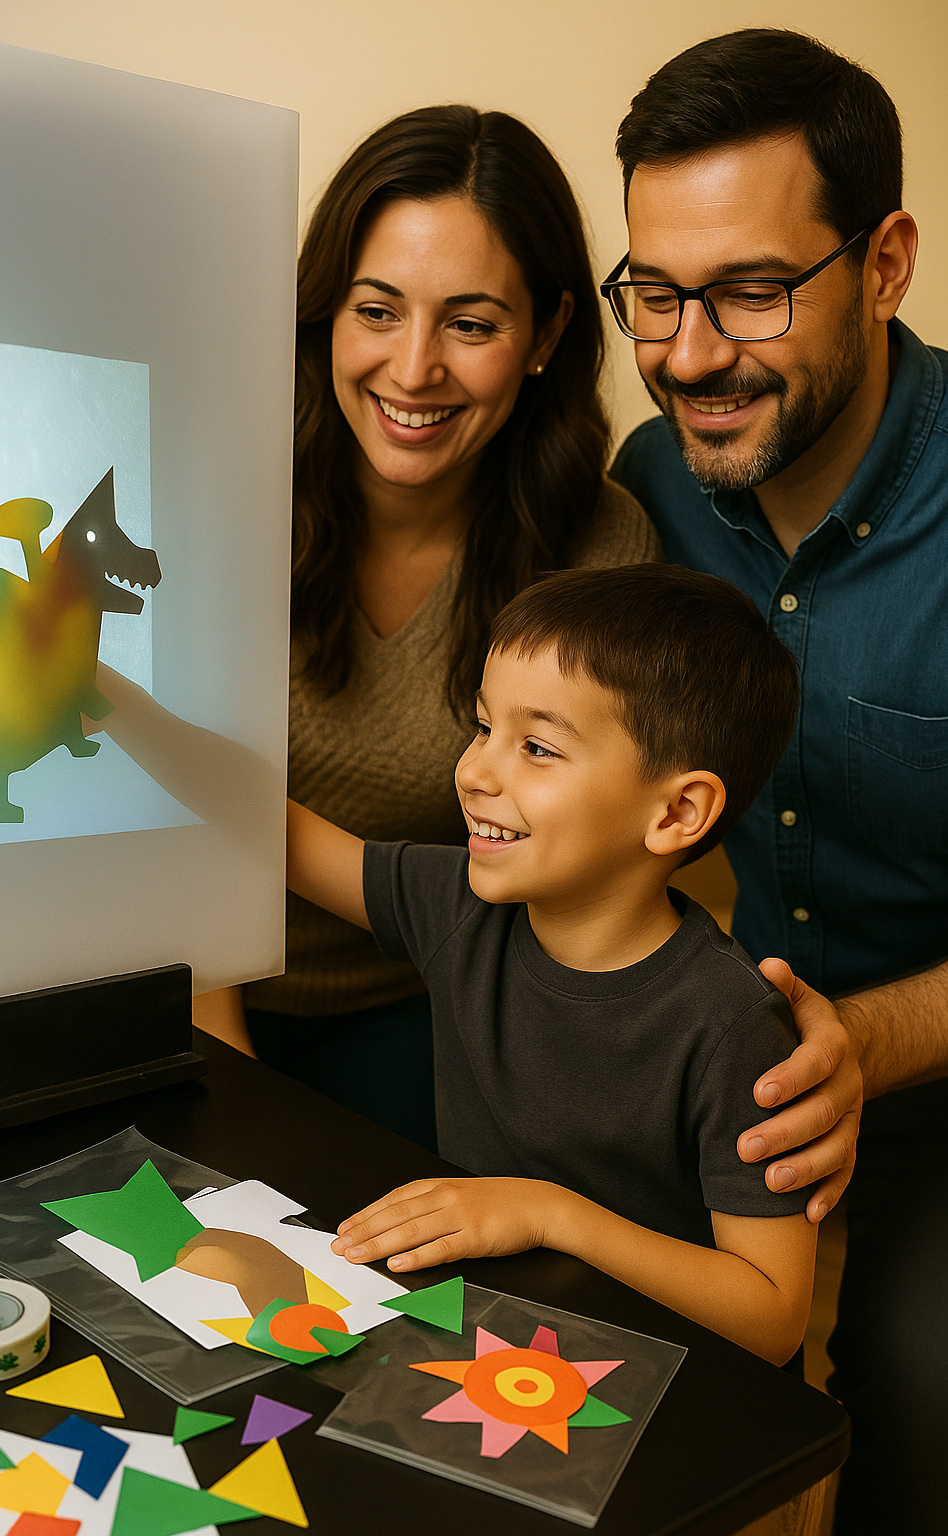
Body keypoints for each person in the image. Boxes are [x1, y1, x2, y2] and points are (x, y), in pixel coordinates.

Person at [606, 29, 948, 1533]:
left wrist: (869, 1048)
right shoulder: (644, 492)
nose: (690, 352)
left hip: (943, 1079)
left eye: (753, 291)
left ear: (883, 263)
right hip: (736, 1071)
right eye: (655, 292)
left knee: (929, 1399)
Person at [233, 106, 655, 1148]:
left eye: (469, 324)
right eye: (375, 310)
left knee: (430, 1298)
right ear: (323, 310)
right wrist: (231, 1102)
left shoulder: (598, 549)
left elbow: (579, 886)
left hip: (426, 1007)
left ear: (548, 335)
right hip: (173, 981)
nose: (413, 369)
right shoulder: (209, 482)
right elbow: (147, 811)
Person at [286, 563, 817, 1367]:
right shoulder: (460, 905)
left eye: (536, 747)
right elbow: (272, 832)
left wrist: (549, 1215)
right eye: (481, 727)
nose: (473, 771)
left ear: (677, 811)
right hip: (485, 1349)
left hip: (653, 1392)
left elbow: (773, 1319)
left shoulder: (737, 1027)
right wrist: (95, 693)